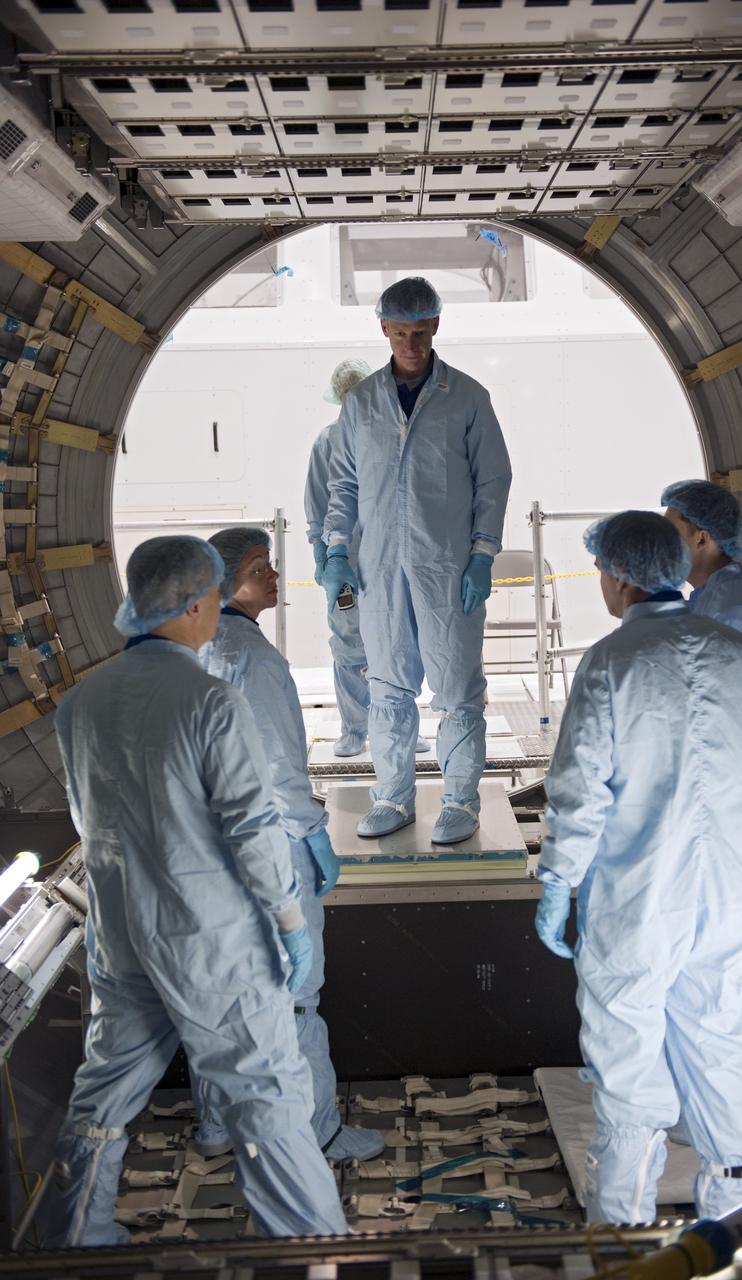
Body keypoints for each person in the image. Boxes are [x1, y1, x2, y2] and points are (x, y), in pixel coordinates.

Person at [45, 536, 347, 1247]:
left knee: (104, 1094)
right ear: (192, 605)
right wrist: (290, 922)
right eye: (212, 599)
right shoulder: (210, 700)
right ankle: (312, 1250)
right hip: (212, 939)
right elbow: (252, 828)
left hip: (119, 932)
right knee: (265, 1098)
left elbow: (87, 818)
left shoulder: (80, 703)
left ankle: (75, 1242)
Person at [535, 511, 742, 1224]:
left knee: (627, 1046)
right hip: (728, 891)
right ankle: (732, 1203)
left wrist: (557, 882)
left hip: (640, 896)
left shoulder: (612, 663)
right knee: (716, 1031)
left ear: (615, 578)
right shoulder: (734, 651)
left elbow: (578, 792)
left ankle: (622, 1226)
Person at [197, 526, 384, 1163]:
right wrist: (311, 833)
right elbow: (277, 765)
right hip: (267, 846)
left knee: (223, 996)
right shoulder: (252, 657)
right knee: (298, 995)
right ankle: (319, 1133)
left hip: (207, 851)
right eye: (259, 568)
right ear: (222, 582)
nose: (274, 576)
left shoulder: (191, 648)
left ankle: (219, 1128)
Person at [322, 277, 512, 844]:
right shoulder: (361, 403)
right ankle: (393, 797)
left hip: (447, 567)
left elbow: (493, 481)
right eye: (401, 332)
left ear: (436, 328)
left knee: (456, 690)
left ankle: (459, 801)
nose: (411, 343)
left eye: (421, 332)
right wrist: (335, 550)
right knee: (387, 686)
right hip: (379, 570)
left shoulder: (468, 397)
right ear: (383, 330)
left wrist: (482, 555)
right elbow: (345, 485)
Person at [662, 479, 742, 1138]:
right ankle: (716, 1097)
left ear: (702, 538)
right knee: (713, 952)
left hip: (733, 815)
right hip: (719, 811)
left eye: (672, 531)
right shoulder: (710, 603)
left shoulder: (730, 612)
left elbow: (728, 729)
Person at [305, 359, 429, 759]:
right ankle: (355, 729)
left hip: (389, 561)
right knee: (348, 645)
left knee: (398, 643)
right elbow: (317, 506)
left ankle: (399, 727)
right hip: (346, 563)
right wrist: (324, 556)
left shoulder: (392, 438)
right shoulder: (327, 443)